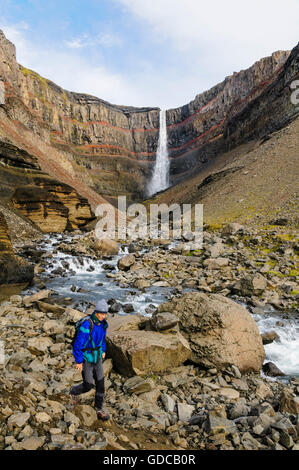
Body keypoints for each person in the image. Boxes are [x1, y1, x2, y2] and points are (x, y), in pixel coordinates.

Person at [70, 299, 110, 420]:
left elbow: (102, 339)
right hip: (87, 357)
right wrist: (78, 361)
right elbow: (78, 343)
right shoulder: (87, 324)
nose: (104, 316)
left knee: (101, 383)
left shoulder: (103, 324)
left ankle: (99, 408)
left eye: (105, 313)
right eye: (102, 313)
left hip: (97, 356)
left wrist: (103, 350)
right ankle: (73, 391)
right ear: (96, 312)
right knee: (88, 384)